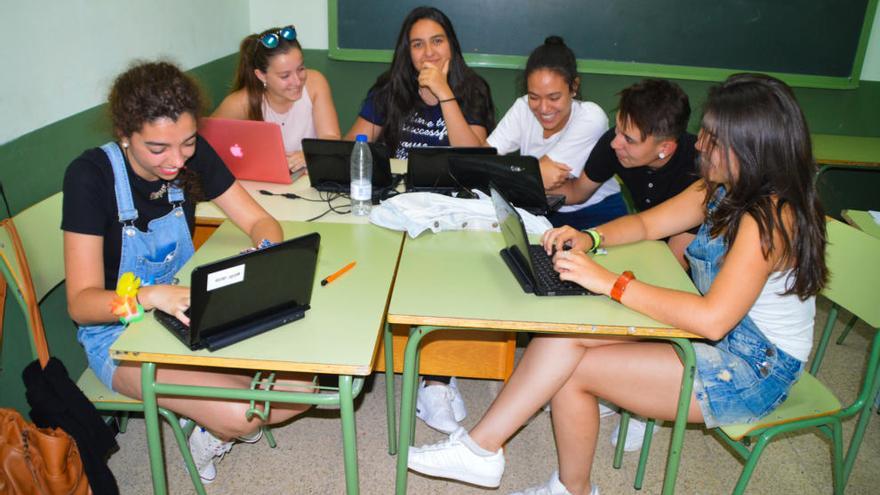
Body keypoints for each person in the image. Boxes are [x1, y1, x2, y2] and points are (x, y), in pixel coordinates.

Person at [407, 73, 828, 495]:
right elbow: (647, 223)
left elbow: (713, 320)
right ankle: (483, 451)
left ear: (750, 147)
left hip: (754, 367)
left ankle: (548, 480)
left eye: (714, 138)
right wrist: (592, 237)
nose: (698, 144)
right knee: (567, 334)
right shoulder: (723, 187)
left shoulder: (769, 219)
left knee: (573, 373)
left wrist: (610, 283)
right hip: (718, 336)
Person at [62, 61, 314, 484]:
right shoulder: (90, 177)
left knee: (303, 385)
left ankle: (210, 422)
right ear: (125, 135)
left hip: (186, 309)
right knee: (244, 413)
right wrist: (149, 296)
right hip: (119, 336)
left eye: (188, 143)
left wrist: (263, 254)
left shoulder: (190, 155)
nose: (177, 160)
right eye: (158, 148)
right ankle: (211, 432)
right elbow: (81, 304)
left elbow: (262, 223)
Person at [486, 36, 623, 232]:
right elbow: (483, 159)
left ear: (574, 87)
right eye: (534, 97)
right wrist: (529, 175)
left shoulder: (591, 116)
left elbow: (544, 177)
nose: (543, 108)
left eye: (554, 97)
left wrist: (505, 176)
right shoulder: (523, 107)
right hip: (543, 213)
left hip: (598, 215)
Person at [559, 78, 700, 269]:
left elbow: (673, 268)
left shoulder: (699, 172)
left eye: (629, 139)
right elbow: (577, 192)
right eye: (618, 128)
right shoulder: (617, 144)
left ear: (665, 148)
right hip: (644, 242)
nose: (615, 143)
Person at [344, 6, 495, 158]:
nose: (429, 52)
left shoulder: (473, 88)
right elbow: (353, 145)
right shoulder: (390, 86)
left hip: (452, 181)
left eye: (437, 41)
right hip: (400, 179)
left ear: (451, 44)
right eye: (418, 44)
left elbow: (473, 157)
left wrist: (444, 93)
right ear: (408, 52)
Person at [212, 25, 340, 175]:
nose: (297, 81)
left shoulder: (315, 82)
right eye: (285, 76)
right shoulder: (240, 102)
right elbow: (206, 142)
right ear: (261, 76)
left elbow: (331, 137)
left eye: (300, 69)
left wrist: (310, 154)